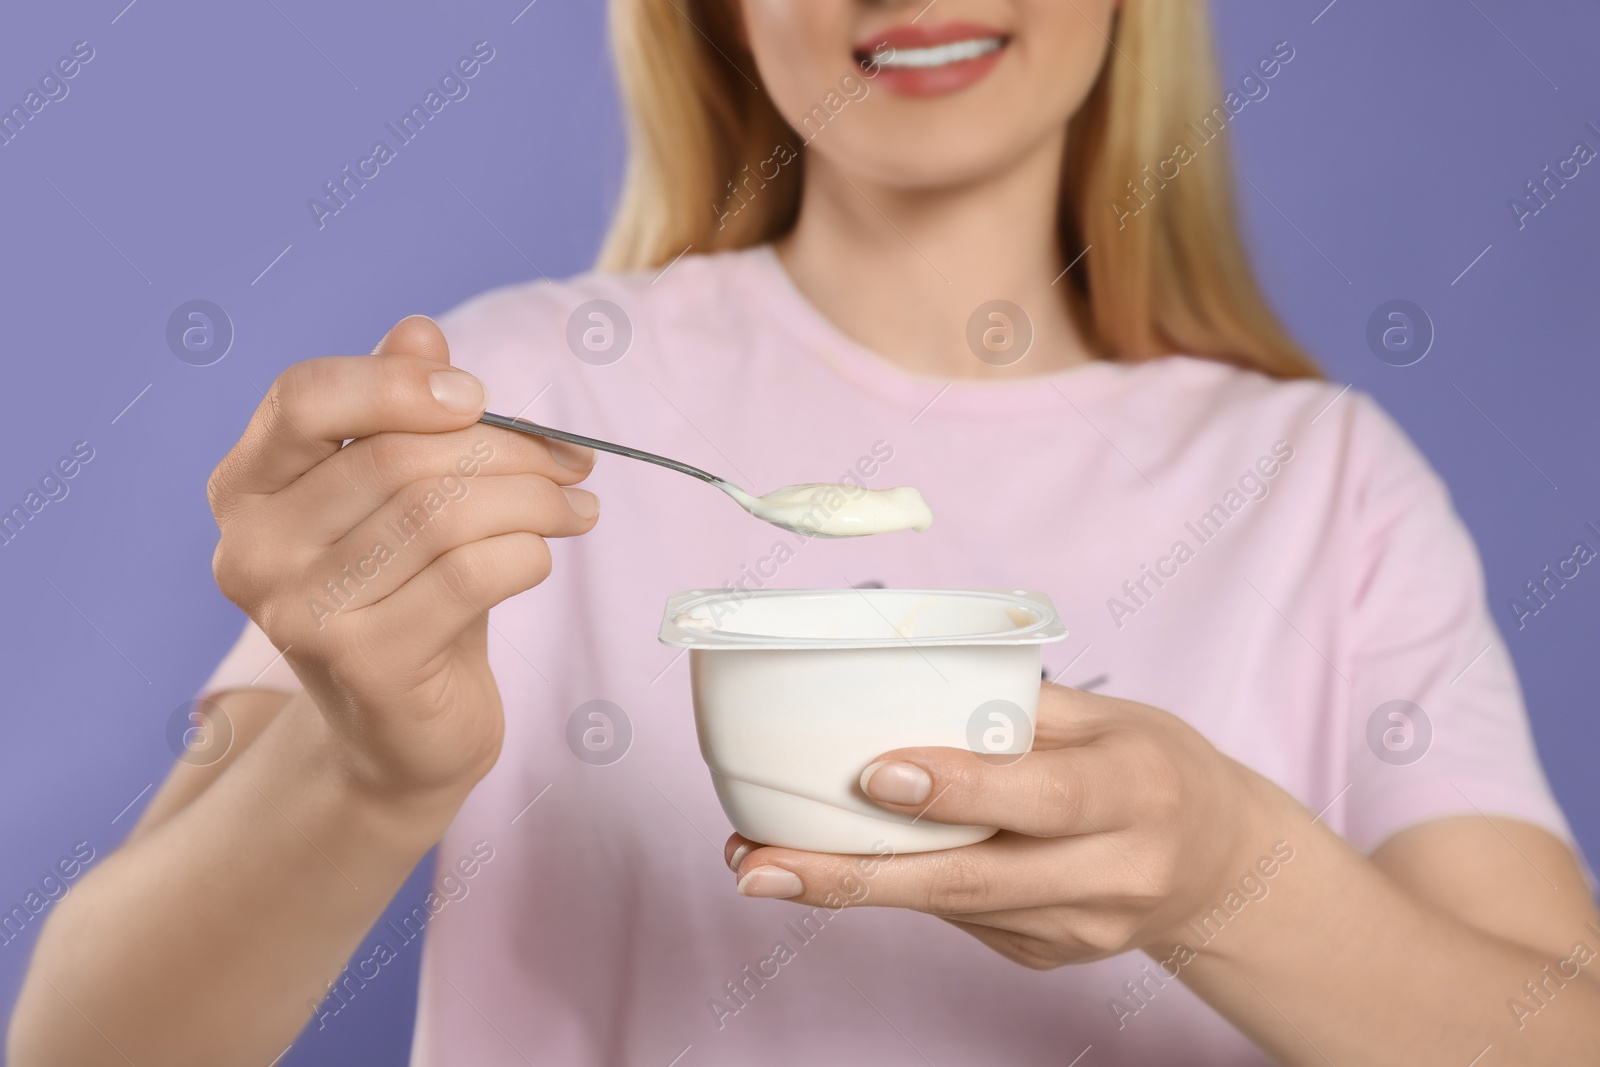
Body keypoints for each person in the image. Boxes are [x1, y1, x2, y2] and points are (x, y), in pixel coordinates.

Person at [11, 1, 1599, 1064]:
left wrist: (1231, 875)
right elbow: (83, 1043)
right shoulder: (525, 397)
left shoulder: (1322, 479)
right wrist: (366, 772)